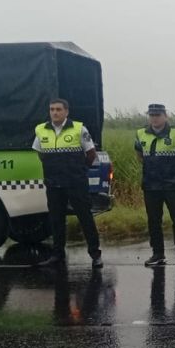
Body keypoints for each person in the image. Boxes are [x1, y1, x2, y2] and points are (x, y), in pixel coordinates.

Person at [34, 97, 102, 268]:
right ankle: (57, 255)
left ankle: (95, 255)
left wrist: (80, 171)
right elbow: (40, 154)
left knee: (85, 218)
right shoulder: (41, 130)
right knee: (56, 220)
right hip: (54, 183)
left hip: (75, 183)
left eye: (58, 109)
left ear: (66, 112)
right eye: (52, 109)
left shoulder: (79, 128)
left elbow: (91, 154)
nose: (55, 113)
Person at [135, 103, 175, 267]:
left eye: (158, 115)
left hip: (172, 184)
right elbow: (140, 155)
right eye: (152, 115)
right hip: (151, 184)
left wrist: (173, 171)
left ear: (165, 116)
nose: (155, 118)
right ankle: (158, 254)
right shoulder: (141, 133)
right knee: (153, 221)